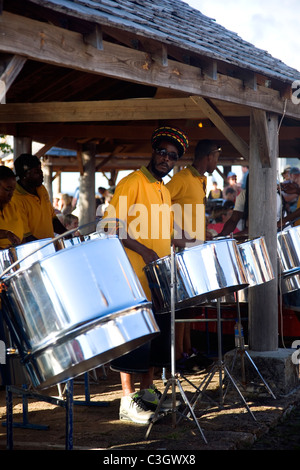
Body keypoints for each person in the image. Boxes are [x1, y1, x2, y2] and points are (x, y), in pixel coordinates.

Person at [101, 126, 189, 425]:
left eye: (172, 156)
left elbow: (156, 229)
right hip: (134, 275)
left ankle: (148, 394)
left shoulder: (163, 189)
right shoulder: (132, 182)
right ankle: (128, 401)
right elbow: (112, 225)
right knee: (134, 338)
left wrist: (175, 240)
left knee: (154, 336)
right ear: (153, 152)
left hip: (157, 278)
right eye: (162, 152)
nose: (166, 159)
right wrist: (144, 251)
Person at [166, 139, 221, 372]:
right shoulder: (181, 179)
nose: (217, 162)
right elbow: (159, 204)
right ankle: (177, 357)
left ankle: (187, 350)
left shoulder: (201, 180)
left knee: (190, 305)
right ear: (209, 156)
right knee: (181, 306)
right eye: (217, 157)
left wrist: (202, 231)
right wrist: (173, 235)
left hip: (195, 248)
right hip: (180, 249)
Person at [12, 154, 67, 242]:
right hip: (35, 251)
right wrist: (47, 247)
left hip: (49, 246)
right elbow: (26, 236)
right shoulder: (15, 198)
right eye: (36, 172)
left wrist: (68, 234)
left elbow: (52, 219)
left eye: (40, 170)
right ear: (24, 175)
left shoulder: (42, 189)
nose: (41, 174)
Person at [0, 166, 25, 249]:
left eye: (13, 190)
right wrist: (6, 234)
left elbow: (22, 235)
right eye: (7, 189)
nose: (11, 194)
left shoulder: (13, 206)